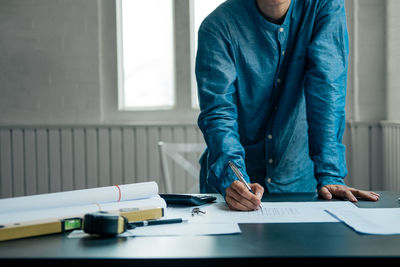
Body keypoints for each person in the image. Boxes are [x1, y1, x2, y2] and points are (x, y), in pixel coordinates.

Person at [195, 0, 380, 211]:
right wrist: (232, 177)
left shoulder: (324, 7)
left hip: (301, 184)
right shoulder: (217, 25)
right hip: (234, 190)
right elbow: (219, 111)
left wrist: (330, 173)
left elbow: (327, 89)